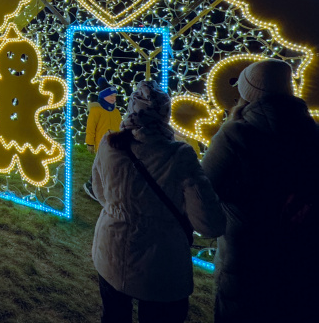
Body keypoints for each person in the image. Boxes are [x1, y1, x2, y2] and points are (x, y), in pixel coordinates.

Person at [201, 59, 319, 323]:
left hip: (249, 266)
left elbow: (202, 189)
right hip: (307, 268)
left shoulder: (235, 136)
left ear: (248, 93)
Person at [92, 80, 226, 323]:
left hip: (110, 250)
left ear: (132, 107)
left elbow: (101, 193)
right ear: (166, 114)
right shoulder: (180, 155)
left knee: (113, 316)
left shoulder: (110, 144)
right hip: (160, 266)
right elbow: (209, 224)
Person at [83, 79, 121, 202]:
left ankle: (103, 188)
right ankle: (91, 186)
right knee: (101, 167)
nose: (113, 98)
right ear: (103, 96)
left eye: (115, 96)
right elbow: (91, 127)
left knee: (110, 167)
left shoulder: (115, 111)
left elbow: (119, 126)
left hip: (114, 145)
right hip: (101, 144)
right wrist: (90, 143)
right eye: (110, 95)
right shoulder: (96, 110)